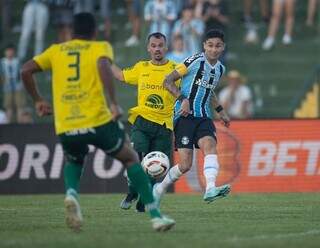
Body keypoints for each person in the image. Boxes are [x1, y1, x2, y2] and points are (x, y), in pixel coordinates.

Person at [21, 12, 175, 232]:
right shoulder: (99, 47)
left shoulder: (55, 51)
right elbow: (105, 67)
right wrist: (113, 103)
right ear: (94, 32)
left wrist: (37, 100)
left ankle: (72, 194)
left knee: (74, 160)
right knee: (131, 159)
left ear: (70, 32)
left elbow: (25, 70)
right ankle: (155, 215)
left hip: (66, 122)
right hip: (97, 119)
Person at [153, 29, 231, 207]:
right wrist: (183, 100)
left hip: (204, 116)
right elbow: (167, 81)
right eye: (210, 45)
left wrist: (220, 111)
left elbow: (209, 90)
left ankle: (210, 188)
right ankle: (159, 189)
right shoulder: (194, 61)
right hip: (184, 115)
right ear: (204, 45)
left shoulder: (220, 68)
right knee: (185, 164)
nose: (213, 49)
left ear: (223, 47)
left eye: (217, 46)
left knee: (210, 145)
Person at [111, 32, 179, 212]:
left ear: (166, 47)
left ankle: (144, 198)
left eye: (160, 45)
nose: (157, 49)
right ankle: (132, 192)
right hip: (142, 122)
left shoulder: (175, 70)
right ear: (148, 48)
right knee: (136, 159)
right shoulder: (141, 67)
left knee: (155, 167)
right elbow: (120, 76)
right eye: (154, 46)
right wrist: (104, 61)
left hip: (164, 126)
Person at [0, 44, 26, 123]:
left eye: (11, 51)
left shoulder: (18, 61)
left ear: (14, 52)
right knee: (8, 106)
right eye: (8, 51)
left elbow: (22, 73)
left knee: (20, 106)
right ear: (5, 52)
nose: (9, 53)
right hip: (7, 87)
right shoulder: (2, 62)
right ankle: (7, 123)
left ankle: (20, 123)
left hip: (18, 86)